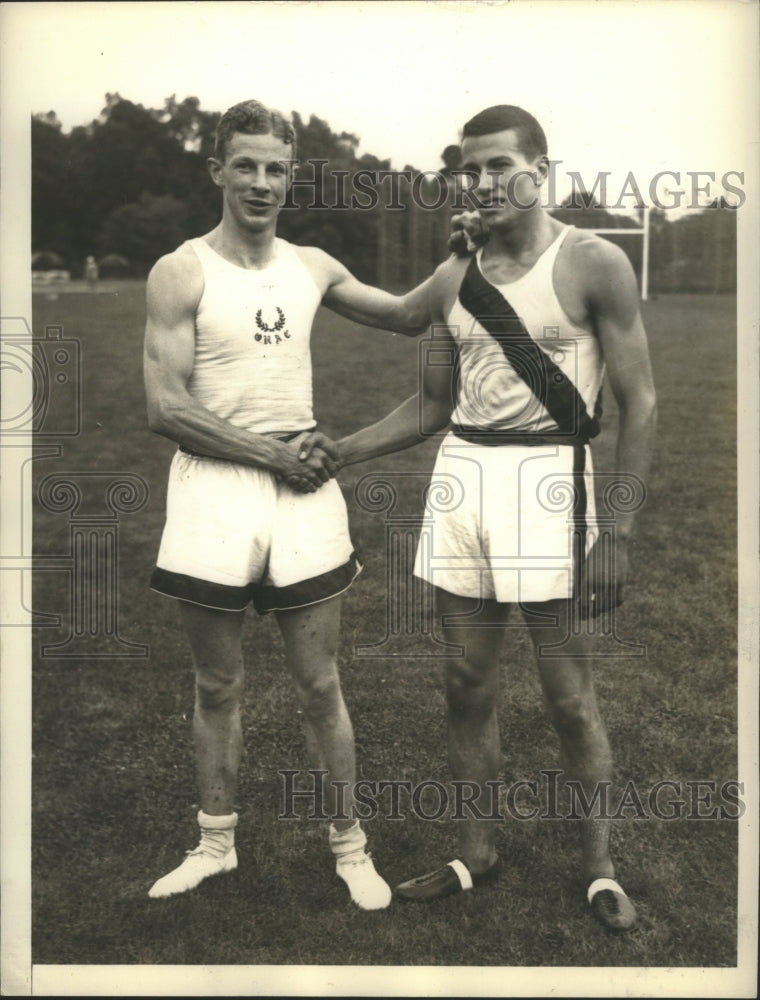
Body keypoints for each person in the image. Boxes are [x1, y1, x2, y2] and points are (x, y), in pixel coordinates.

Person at [306, 105, 657, 931]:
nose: (484, 181)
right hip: (463, 482)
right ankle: (476, 851)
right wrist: (344, 446)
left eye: (500, 165)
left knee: (569, 697)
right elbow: (428, 389)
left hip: (552, 486)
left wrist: (624, 532)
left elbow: (641, 403)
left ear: (541, 168)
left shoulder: (594, 262)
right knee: (466, 685)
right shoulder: (455, 273)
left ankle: (600, 867)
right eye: (470, 169)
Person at [142, 99, 434, 908]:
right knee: (216, 685)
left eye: (275, 168)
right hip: (217, 491)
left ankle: (350, 849)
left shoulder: (312, 265)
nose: (261, 183)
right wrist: (273, 454)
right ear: (218, 172)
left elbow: (411, 317)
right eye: (246, 165)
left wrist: (465, 256)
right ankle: (214, 845)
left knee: (320, 684)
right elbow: (164, 406)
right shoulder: (182, 269)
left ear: (290, 177)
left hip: (305, 503)